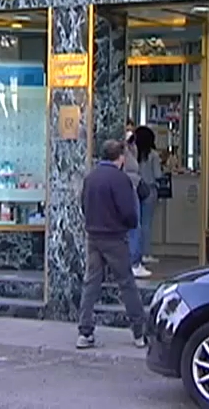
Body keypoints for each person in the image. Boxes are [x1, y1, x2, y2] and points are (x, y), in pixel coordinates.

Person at [77, 139, 148, 350]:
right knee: (126, 282)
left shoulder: (91, 177)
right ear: (121, 158)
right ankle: (139, 332)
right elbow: (129, 212)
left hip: (93, 236)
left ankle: (84, 331)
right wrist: (128, 225)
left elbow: (83, 204)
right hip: (115, 237)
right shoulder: (120, 179)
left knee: (91, 283)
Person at [123, 130, 151, 278]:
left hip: (132, 186)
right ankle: (134, 262)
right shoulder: (122, 150)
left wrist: (132, 146)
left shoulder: (131, 149)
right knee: (135, 226)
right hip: (129, 187)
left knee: (137, 225)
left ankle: (134, 261)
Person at [134, 126, 162, 265]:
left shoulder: (133, 153)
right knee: (147, 224)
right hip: (150, 191)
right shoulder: (153, 155)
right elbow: (158, 175)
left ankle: (136, 253)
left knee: (136, 223)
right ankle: (146, 253)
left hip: (136, 189)